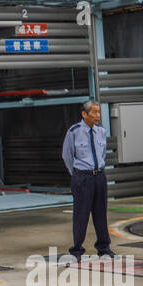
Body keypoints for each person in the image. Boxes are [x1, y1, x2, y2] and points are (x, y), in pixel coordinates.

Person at [60, 100, 113, 262]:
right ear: (84, 114)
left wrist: (97, 170)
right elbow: (67, 155)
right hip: (82, 178)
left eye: (99, 112)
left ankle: (104, 249)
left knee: (100, 214)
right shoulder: (74, 132)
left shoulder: (101, 131)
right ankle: (76, 251)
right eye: (95, 112)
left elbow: (102, 153)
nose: (98, 115)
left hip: (99, 177)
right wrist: (77, 174)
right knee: (81, 215)